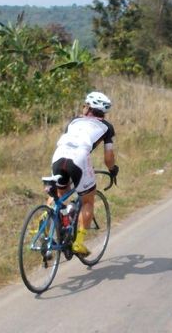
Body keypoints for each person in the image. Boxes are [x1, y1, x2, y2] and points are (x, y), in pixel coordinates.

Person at [48, 91, 119, 256]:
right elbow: (109, 157)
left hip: (59, 155)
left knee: (60, 193)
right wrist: (112, 169)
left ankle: (48, 226)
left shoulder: (74, 121)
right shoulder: (106, 127)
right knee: (87, 199)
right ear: (103, 112)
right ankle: (78, 243)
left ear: (88, 108)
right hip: (79, 158)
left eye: (85, 106)